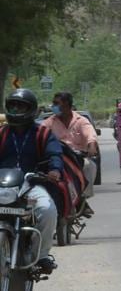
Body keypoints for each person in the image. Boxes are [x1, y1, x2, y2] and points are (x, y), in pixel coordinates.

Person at [0, 89, 62, 274]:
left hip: (31, 185)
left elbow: (55, 154)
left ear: (31, 109)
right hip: (3, 185)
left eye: (21, 106)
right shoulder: (2, 133)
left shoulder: (43, 133)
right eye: (13, 105)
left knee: (47, 209)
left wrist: (55, 170)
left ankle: (41, 255)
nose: (16, 109)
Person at [42, 92, 97, 217]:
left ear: (66, 105)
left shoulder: (81, 121)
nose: (53, 106)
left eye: (56, 103)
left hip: (76, 158)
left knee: (89, 166)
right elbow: (39, 134)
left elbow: (90, 135)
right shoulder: (49, 122)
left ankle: (82, 198)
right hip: (56, 157)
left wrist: (91, 146)